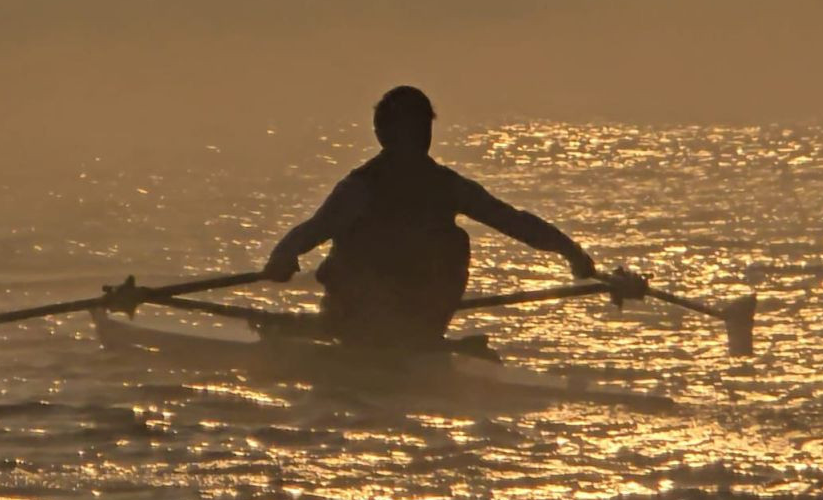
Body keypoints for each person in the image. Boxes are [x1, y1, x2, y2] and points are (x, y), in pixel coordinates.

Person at [262, 86, 620, 351]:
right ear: (383, 135)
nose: (418, 139)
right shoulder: (364, 188)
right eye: (411, 131)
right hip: (361, 320)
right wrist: (283, 255)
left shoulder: (441, 187)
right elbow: (313, 230)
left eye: (421, 130)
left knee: (454, 241)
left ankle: (412, 337)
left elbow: (515, 222)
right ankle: (386, 335)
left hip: (407, 322)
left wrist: (572, 252)